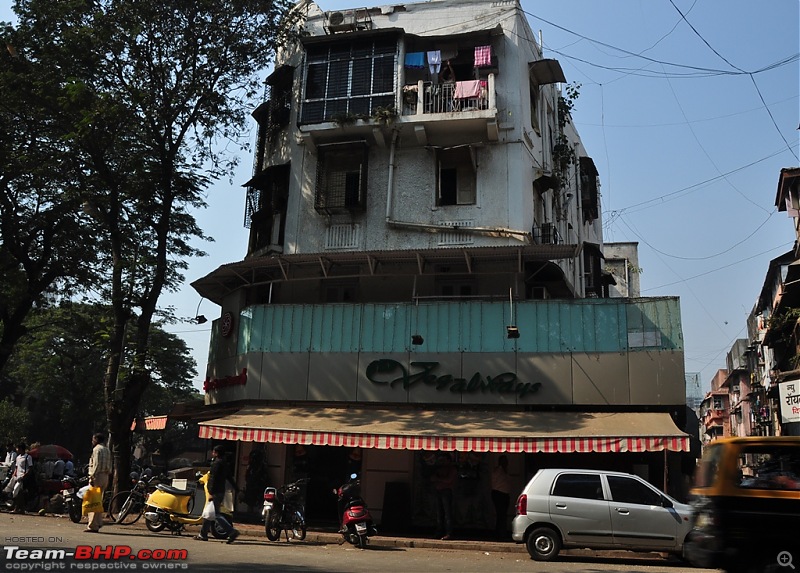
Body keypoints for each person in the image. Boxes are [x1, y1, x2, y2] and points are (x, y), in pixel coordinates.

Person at [195, 445, 239, 543]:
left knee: (215, 514)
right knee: (209, 512)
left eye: (214, 452)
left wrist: (210, 492)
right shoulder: (224, 463)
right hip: (220, 491)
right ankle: (203, 534)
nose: (212, 453)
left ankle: (231, 532)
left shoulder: (216, 464)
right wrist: (236, 488)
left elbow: (212, 479)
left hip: (214, 492)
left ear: (217, 453)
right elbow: (229, 477)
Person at [85, 432, 112, 533]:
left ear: (96, 439)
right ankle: (99, 522)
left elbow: (96, 464)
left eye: (93, 439)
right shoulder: (107, 450)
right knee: (99, 500)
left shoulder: (97, 450)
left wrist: (92, 477)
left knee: (93, 501)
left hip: (97, 476)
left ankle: (92, 525)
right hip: (105, 476)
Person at [431, 454, 456, 540]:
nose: (443, 462)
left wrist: (439, 479)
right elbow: (432, 478)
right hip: (438, 491)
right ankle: (439, 531)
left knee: (447, 513)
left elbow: (449, 480)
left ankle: (449, 532)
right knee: (439, 513)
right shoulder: (439, 469)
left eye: (444, 460)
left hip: (446, 491)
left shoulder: (452, 469)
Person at [491, 455, 511, 538]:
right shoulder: (498, 471)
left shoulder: (502, 470)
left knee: (501, 515)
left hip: (503, 493)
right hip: (499, 493)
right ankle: (501, 533)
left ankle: (500, 532)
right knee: (501, 514)